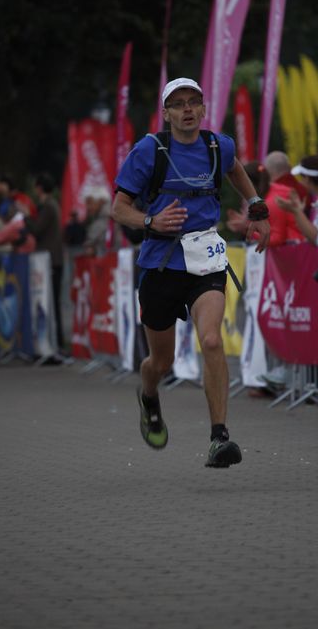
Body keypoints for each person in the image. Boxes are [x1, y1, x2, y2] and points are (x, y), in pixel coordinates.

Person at [111, 77, 270, 468]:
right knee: (160, 363)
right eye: (178, 103)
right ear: (166, 113)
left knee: (212, 341)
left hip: (206, 259)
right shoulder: (150, 150)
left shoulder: (218, 146)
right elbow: (119, 208)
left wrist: (257, 207)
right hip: (161, 263)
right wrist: (151, 221)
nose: (187, 109)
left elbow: (235, 169)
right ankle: (149, 396)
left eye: (193, 102)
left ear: (203, 109)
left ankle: (219, 439)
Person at [25, 173, 65, 353]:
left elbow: (37, 229)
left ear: (39, 188)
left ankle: (56, 343)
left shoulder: (48, 207)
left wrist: (26, 217)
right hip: (52, 260)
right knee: (51, 302)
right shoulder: (51, 205)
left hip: (50, 261)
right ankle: (53, 341)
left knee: (52, 303)